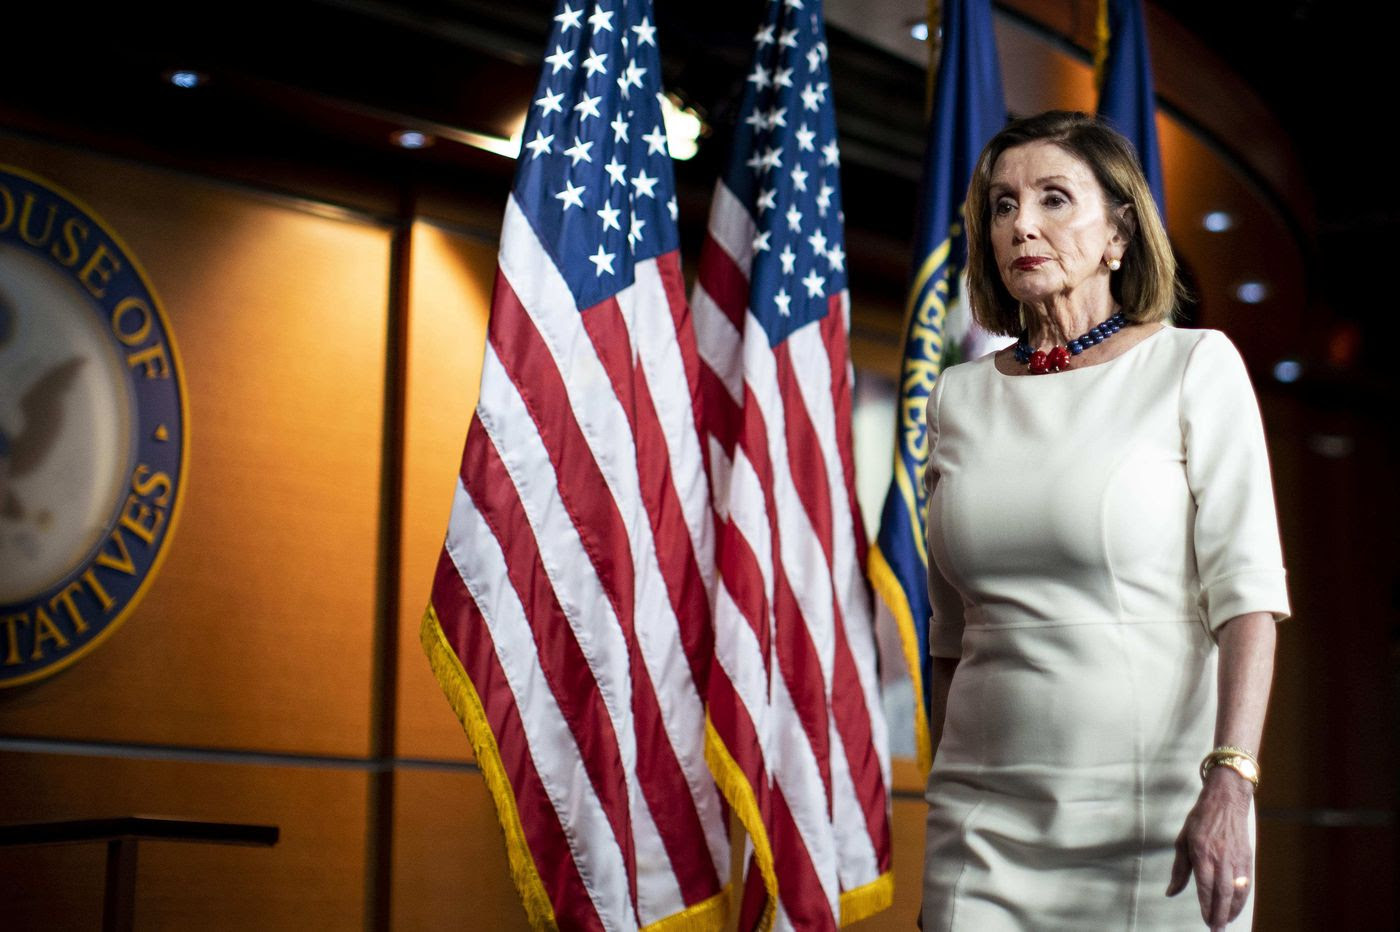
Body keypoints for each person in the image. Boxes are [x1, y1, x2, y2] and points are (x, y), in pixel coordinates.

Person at [919, 111, 1289, 931]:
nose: (1023, 225)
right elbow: (950, 636)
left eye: (1054, 199)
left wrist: (1232, 778)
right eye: (1003, 206)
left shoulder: (1194, 366)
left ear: (1119, 231)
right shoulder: (958, 396)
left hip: (1156, 822)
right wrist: (946, 790)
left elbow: (1248, 601)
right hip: (981, 826)